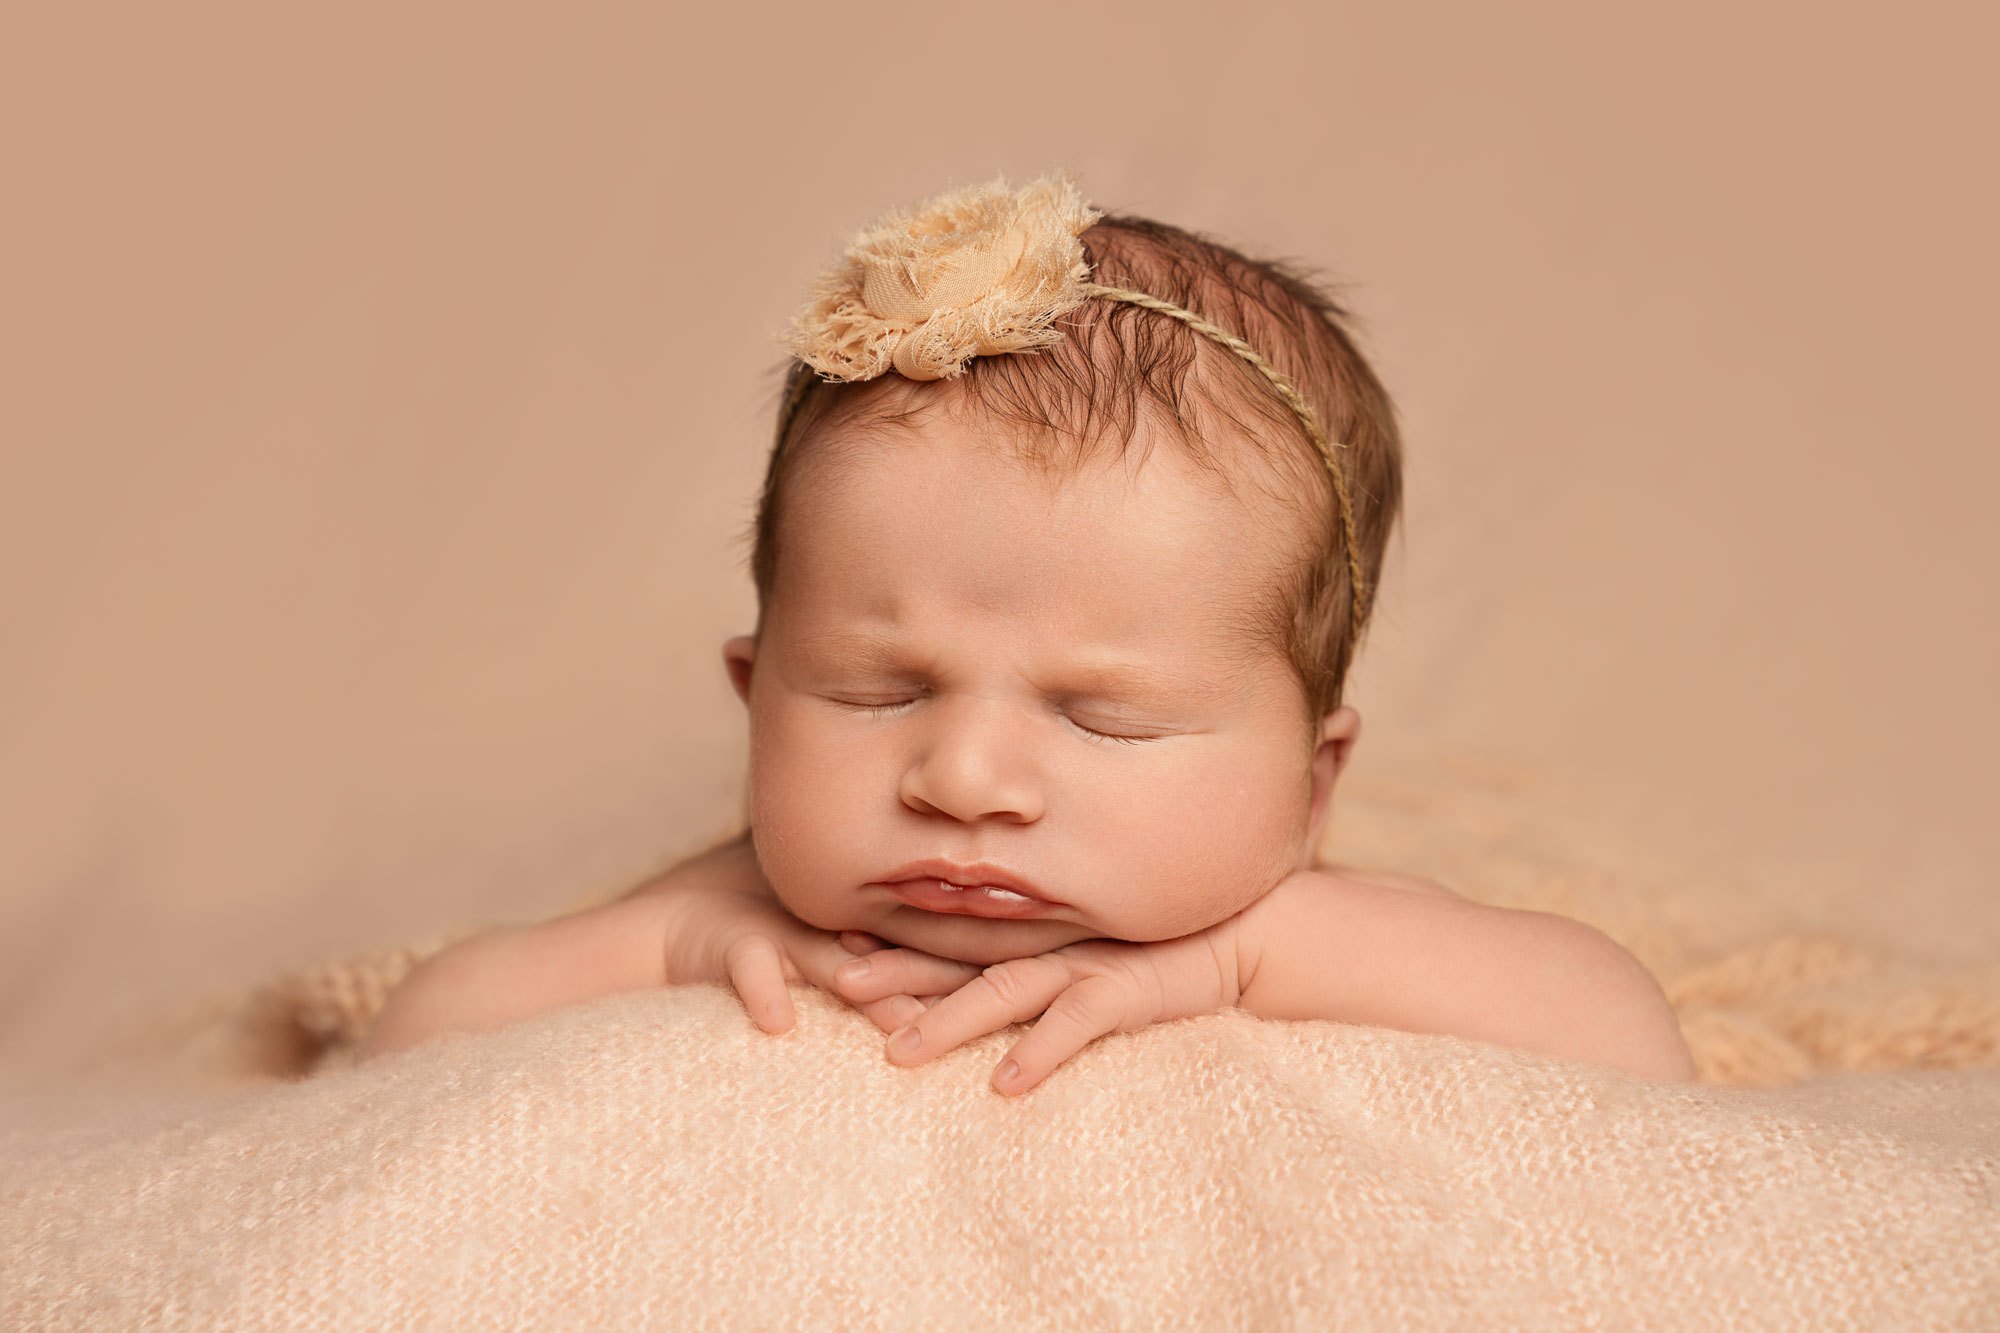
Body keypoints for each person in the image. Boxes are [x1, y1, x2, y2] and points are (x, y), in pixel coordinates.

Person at [362, 175, 1696, 1089]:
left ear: (1311, 786)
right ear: (754, 696)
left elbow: (1627, 1037)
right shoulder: (738, 910)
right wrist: (665, 950)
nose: (965, 780)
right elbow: (413, 1040)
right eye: (877, 690)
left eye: (1103, 716)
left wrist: (1239, 961)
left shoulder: (1301, 921)